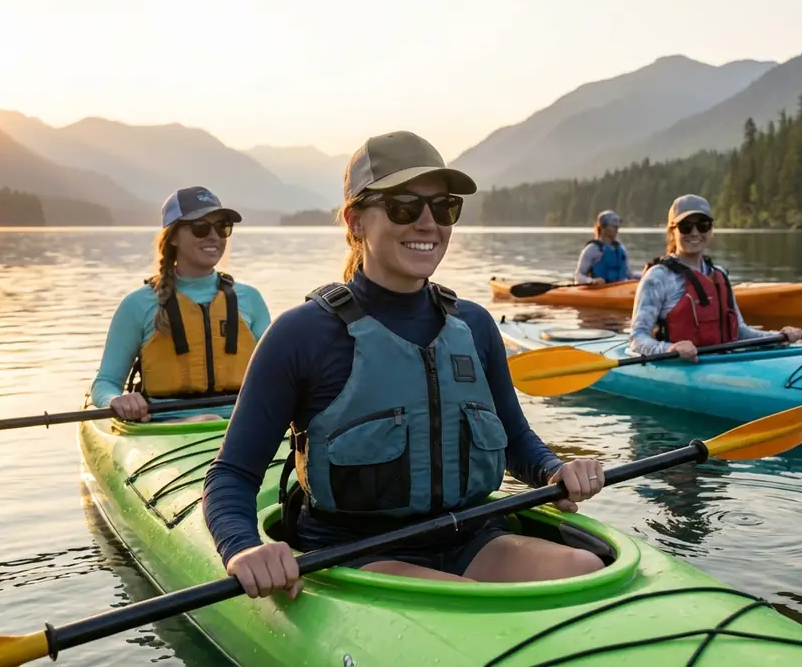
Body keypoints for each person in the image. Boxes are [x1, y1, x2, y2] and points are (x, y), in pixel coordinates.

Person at [202, 130, 607, 600]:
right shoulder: (302, 335)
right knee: (458, 603)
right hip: (353, 551)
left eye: (443, 207)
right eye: (403, 207)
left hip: (472, 537)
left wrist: (554, 470)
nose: (427, 223)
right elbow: (232, 474)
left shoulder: (474, 325)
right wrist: (243, 548)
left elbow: (516, 439)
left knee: (585, 566)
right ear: (355, 221)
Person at [89, 186, 271, 423]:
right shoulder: (137, 304)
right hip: (167, 427)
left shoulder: (250, 299)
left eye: (222, 227)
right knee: (206, 420)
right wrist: (116, 400)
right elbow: (105, 384)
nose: (213, 236)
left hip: (240, 425)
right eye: (200, 227)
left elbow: (278, 375)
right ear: (173, 236)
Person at [629, 194, 802, 360]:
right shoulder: (658, 277)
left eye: (703, 225)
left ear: (711, 230)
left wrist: (778, 336)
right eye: (686, 226)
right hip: (678, 368)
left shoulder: (719, 275)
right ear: (672, 232)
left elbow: (740, 331)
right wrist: (670, 349)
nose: (695, 232)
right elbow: (637, 338)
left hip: (721, 365)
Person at [574, 210, 640, 284]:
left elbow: (629, 275)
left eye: (617, 227)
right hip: (599, 290)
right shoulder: (592, 249)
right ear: (603, 228)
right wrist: (592, 281)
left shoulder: (621, 249)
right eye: (614, 227)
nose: (617, 230)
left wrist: (647, 274)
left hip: (620, 289)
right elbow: (578, 276)